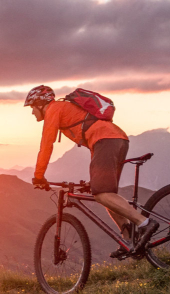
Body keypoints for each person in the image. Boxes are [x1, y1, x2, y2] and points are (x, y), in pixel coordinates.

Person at [25, 85, 158, 257]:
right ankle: (129, 240)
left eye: (32, 107)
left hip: (106, 141)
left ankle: (144, 223)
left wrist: (38, 176)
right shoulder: (65, 109)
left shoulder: (54, 109)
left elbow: (46, 145)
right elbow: (93, 138)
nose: (32, 112)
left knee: (102, 194)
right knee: (107, 195)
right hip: (116, 139)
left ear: (40, 103)